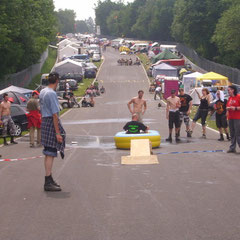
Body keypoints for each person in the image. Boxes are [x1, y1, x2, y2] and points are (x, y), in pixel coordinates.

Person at [39, 72, 66, 192]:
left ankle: (48, 178)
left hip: (44, 120)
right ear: (57, 81)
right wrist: (57, 133)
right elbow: (55, 114)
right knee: (50, 152)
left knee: (48, 152)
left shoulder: (43, 91)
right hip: (50, 122)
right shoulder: (52, 93)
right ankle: (48, 181)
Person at [226, 85, 240, 153]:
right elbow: (227, 106)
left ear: (233, 90)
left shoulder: (238, 97)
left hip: (238, 118)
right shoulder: (230, 98)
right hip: (231, 117)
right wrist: (228, 109)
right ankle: (232, 147)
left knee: (238, 133)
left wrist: (236, 108)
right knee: (232, 133)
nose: (228, 91)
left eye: (229, 90)